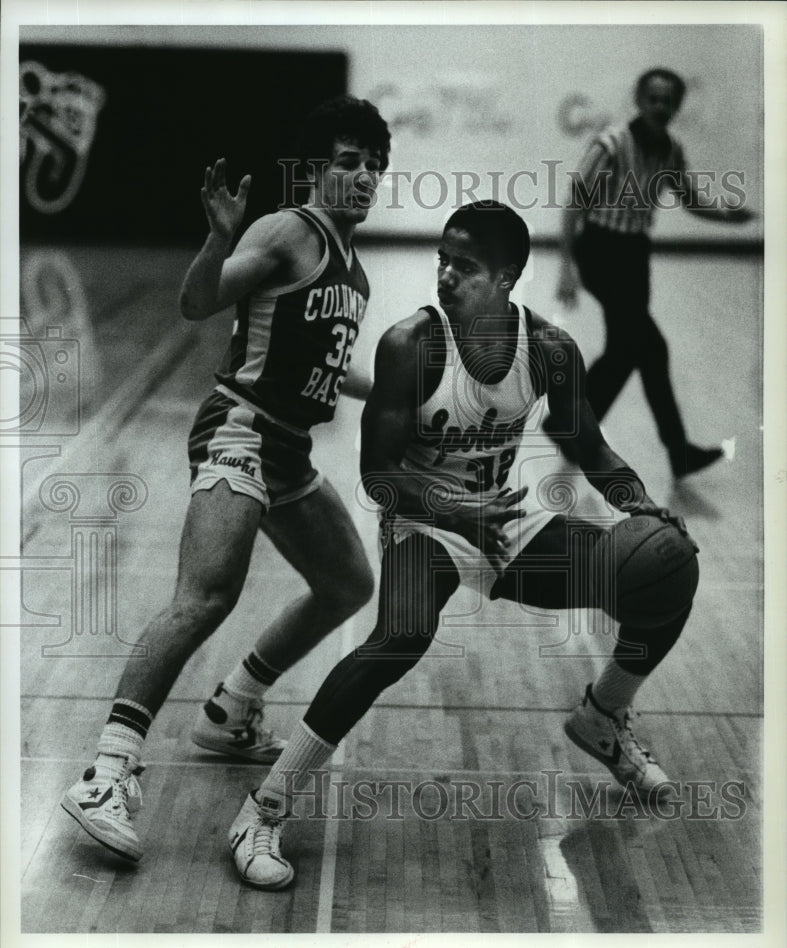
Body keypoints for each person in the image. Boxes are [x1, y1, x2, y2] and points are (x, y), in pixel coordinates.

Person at [226, 200, 698, 890]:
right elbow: (378, 480)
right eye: (442, 259)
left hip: (504, 519)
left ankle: (604, 715)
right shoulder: (410, 344)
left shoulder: (548, 349)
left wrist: (639, 503)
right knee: (400, 635)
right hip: (427, 521)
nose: (445, 275)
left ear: (506, 277)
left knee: (669, 573)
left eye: (465, 266)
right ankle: (262, 809)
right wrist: (453, 508)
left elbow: (587, 445)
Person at [61, 96, 391, 863]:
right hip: (239, 432)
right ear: (314, 171)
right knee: (204, 595)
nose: (364, 178)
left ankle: (230, 709)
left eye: (375, 166)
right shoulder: (288, 231)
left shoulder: (354, 266)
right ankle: (106, 773)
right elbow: (197, 300)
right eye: (348, 162)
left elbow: (323, 371)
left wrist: (411, 391)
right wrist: (216, 240)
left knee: (346, 583)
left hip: (287, 452)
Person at [556, 67, 753, 478]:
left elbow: (688, 199)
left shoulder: (670, 149)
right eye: (654, 99)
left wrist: (728, 217)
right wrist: (567, 267)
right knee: (647, 347)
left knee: (632, 349)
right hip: (599, 251)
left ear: (677, 106)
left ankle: (570, 426)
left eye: (669, 101)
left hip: (633, 255)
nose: (661, 107)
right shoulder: (611, 143)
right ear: (640, 100)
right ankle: (676, 452)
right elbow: (575, 202)